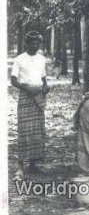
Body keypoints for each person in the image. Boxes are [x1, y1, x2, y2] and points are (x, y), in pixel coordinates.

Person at [11, 31, 50, 179]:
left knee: (37, 131)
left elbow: (43, 78)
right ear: (26, 44)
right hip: (26, 96)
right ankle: (20, 166)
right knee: (24, 130)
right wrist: (28, 88)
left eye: (37, 43)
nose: (35, 45)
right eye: (32, 43)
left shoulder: (41, 59)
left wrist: (46, 86)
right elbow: (13, 80)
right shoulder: (19, 59)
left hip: (39, 97)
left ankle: (33, 165)